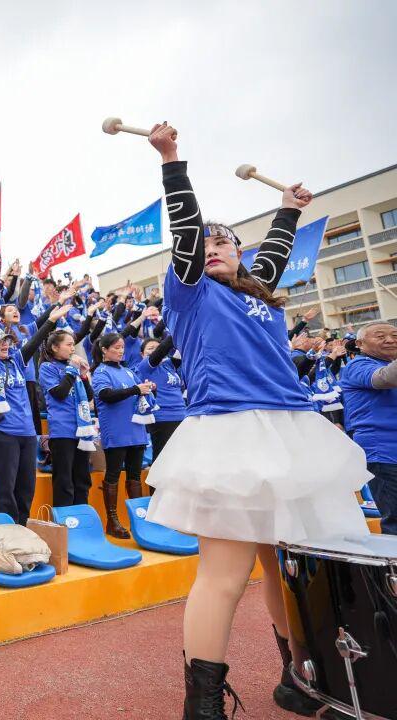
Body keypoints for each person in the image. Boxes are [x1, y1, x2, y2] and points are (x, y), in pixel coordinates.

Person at [140, 123, 369, 718]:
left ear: (240, 254)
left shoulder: (258, 291)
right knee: (225, 574)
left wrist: (289, 209)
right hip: (230, 431)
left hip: (292, 431)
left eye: (225, 242)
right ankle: (203, 705)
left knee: (290, 570)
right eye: (205, 243)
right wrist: (172, 160)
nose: (213, 247)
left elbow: (273, 253)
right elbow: (186, 229)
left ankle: (302, 679)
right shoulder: (190, 292)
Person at [0, 310, 60, 525]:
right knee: (4, 490)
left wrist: (51, 320)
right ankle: (5, 534)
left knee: (26, 488)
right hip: (1, 433)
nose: (5, 345)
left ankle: (22, 530)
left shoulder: (16, 361)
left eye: (7, 341)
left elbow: (33, 343)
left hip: (27, 434)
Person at [90, 332, 154, 538]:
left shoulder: (128, 371)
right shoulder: (101, 371)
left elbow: (138, 390)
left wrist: (149, 388)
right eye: (116, 348)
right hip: (116, 430)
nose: (120, 351)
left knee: (135, 475)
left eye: (122, 348)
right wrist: (136, 389)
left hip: (136, 430)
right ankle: (112, 521)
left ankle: (138, 519)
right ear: (104, 350)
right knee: (113, 475)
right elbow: (106, 395)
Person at [341, 322, 397, 535]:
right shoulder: (358, 365)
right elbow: (386, 378)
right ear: (360, 344)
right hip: (385, 453)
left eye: (395, 335)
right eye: (380, 336)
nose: (390, 340)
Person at [39, 328, 94, 507]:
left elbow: (89, 396)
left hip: (82, 429)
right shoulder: (47, 367)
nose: (72, 349)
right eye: (69, 345)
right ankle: (64, 519)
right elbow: (60, 393)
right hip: (63, 430)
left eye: (73, 345)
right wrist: (72, 371)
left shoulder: (73, 369)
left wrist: (84, 376)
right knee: (64, 481)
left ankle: (81, 517)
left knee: (82, 479)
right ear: (55, 347)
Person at [134, 335, 185, 482]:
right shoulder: (144, 367)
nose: (154, 350)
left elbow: (182, 348)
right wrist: (176, 328)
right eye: (150, 348)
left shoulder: (169, 365)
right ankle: (156, 492)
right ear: (142, 354)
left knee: (179, 461)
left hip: (182, 416)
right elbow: (162, 350)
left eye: (156, 347)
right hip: (162, 418)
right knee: (163, 461)